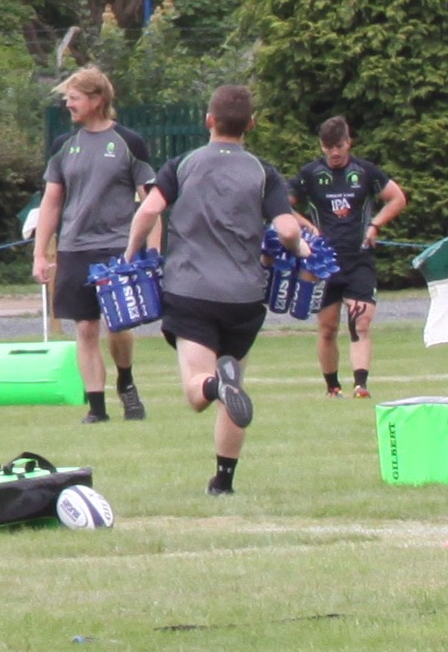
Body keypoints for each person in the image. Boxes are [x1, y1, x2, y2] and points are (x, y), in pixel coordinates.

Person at [130, 81, 318, 498]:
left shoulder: (182, 164)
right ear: (251, 124)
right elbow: (287, 228)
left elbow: (150, 210)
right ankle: (223, 482)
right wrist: (302, 248)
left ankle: (218, 385)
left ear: (208, 120)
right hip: (245, 299)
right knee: (235, 383)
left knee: (199, 391)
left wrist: (132, 253)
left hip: (191, 291)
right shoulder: (263, 171)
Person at [35, 68, 156, 424]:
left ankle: (126, 381)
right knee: (85, 327)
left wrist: (151, 250)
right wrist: (40, 253)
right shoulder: (63, 146)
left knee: (118, 326)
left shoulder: (128, 142)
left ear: (96, 100)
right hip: (74, 248)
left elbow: (151, 202)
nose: (67, 103)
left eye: (74, 97)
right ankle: (96, 407)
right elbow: (52, 202)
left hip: (117, 248)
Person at [296, 116, 405, 398]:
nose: (334, 153)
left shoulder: (365, 171)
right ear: (322, 146)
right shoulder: (310, 174)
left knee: (361, 322)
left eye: (340, 146)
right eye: (329, 147)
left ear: (349, 143)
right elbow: (281, 204)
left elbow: (397, 198)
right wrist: (308, 228)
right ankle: (333, 387)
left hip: (359, 259)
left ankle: (361, 385)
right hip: (324, 262)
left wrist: (375, 225)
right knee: (328, 328)